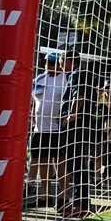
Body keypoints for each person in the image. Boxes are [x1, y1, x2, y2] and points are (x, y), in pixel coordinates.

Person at [58, 49, 100, 217]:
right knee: (75, 164)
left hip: (76, 126)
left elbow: (80, 95)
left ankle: (81, 204)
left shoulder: (78, 74)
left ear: (69, 60)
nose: (60, 66)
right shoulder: (81, 74)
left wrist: (71, 115)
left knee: (75, 164)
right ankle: (79, 201)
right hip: (81, 125)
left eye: (61, 62)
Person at [27, 51, 67, 206]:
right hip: (39, 129)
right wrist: (32, 117)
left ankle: (64, 197)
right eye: (47, 62)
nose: (48, 66)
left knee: (60, 162)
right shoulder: (39, 79)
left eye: (51, 63)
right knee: (42, 161)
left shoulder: (66, 79)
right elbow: (32, 100)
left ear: (59, 64)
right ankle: (45, 196)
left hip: (57, 129)